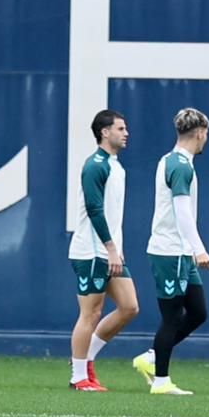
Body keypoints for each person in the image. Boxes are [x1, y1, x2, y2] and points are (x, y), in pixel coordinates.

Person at [132, 108, 209, 397]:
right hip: (171, 251)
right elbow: (182, 211)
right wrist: (199, 249)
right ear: (200, 132)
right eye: (206, 135)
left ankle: (152, 358)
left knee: (198, 311)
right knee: (172, 316)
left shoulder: (173, 160)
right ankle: (162, 380)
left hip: (180, 252)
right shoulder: (180, 165)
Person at [68, 109, 139, 391]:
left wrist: (115, 249)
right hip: (91, 251)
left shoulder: (115, 165)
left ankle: (88, 361)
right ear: (104, 132)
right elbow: (94, 209)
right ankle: (78, 376)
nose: (126, 133)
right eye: (120, 128)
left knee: (130, 307)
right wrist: (110, 248)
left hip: (110, 251)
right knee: (90, 313)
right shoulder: (95, 165)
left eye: (126, 128)